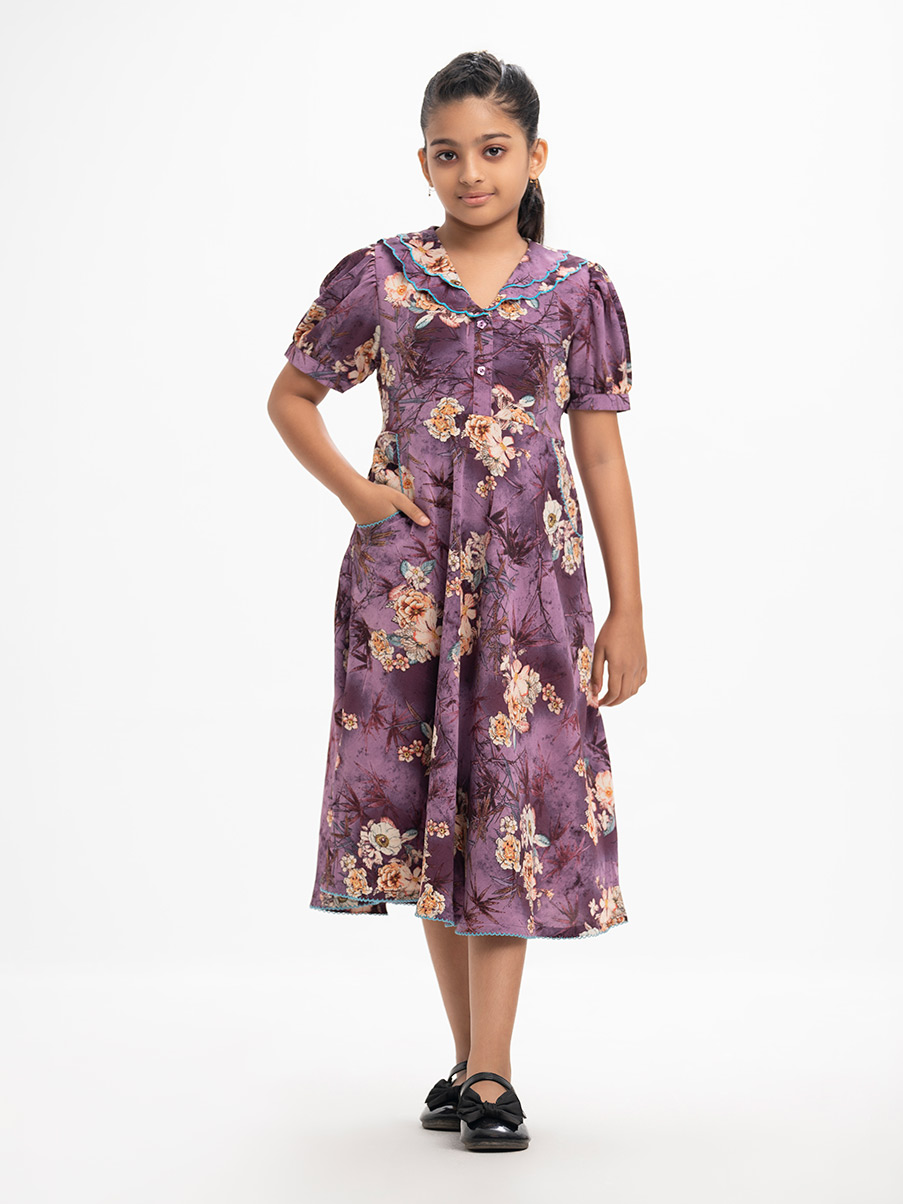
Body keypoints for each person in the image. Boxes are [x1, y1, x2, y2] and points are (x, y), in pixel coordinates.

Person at [267, 50, 647, 1153]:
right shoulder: (380, 278)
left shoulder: (576, 290)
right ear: (424, 161)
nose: (471, 172)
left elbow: (601, 456)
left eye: (492, 150)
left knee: (505, 808)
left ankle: (488, 1067)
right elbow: (291, 396)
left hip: (532, 596)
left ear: (534, 156)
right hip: (404, 590)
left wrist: (628, 609)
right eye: (449, 153)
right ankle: (480, 1067)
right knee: (429, 812)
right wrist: (358, 495)